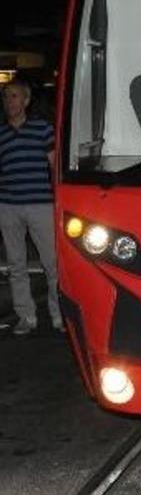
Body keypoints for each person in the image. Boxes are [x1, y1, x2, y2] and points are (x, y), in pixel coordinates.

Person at [0, 80, 62, 335]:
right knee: (16, 265)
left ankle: (58, 316)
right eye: (6, 97)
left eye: (14, 97)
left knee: (52, 263)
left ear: (26, 101)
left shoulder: (42, 129)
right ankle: (26, 316)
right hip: (8, 205)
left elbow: (54, 165)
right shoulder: (1, 134)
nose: (9, 102)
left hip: (40, 204)